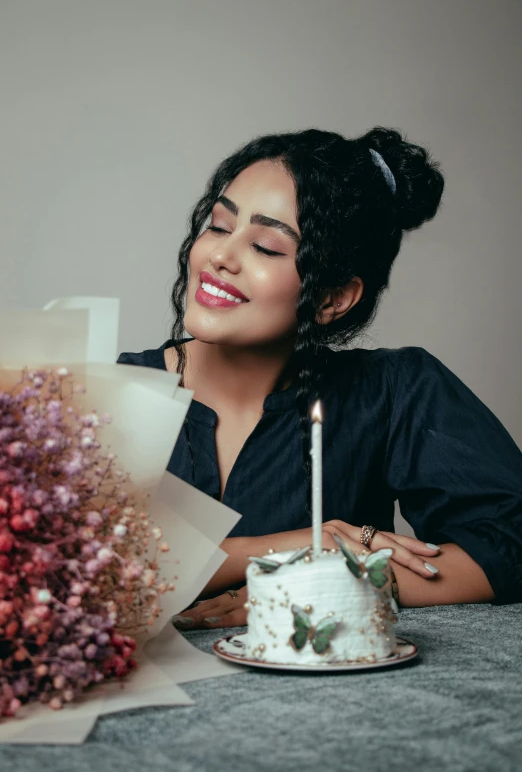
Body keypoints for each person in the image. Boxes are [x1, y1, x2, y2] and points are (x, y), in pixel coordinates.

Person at [117, 126, 522, 630]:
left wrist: (347, 583)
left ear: (332, 298)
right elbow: (80, 568)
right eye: (219, 226)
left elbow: (511, 542)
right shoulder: (102, 395)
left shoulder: (395, 390)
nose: (219, 256)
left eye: (266, 246)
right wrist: (305, 547)